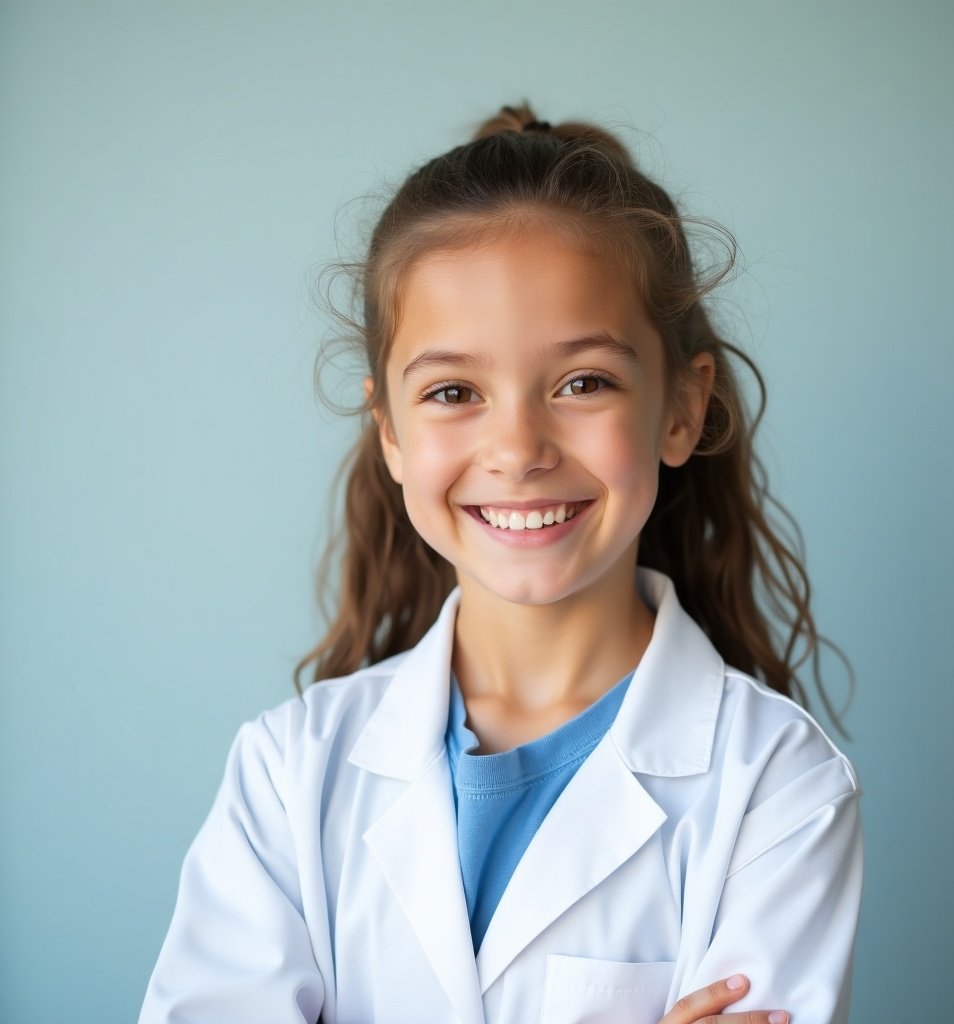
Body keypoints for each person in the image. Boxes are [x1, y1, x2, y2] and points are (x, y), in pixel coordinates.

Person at [140, 104, 862, 1024]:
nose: (517, 448)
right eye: (453, 392)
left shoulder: (780, 788)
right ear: (391, 432)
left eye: (583, 382)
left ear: (682, 408)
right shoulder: (287, 774)